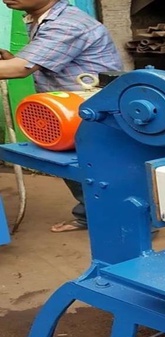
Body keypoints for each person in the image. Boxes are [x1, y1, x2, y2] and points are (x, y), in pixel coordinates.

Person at [0, 0, 123, 232]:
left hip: (95, 110)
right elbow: (39, 61)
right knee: (73, 163)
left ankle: (135, 225)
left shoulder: (68, 23)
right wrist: (12, 60)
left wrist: (14, 65)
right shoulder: (41, 19)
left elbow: (21, 68)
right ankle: (90, 216)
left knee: (104, 169)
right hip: (68, 109)